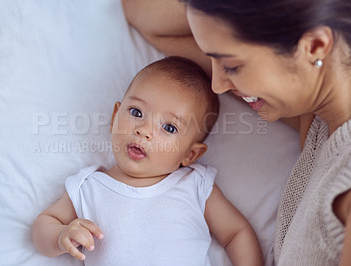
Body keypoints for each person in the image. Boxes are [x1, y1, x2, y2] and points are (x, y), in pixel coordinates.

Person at [122, 0, 351, 265]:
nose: (217, 86)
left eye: (232, 66)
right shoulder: (318, 116)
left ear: (314, 46)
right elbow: (141, 12)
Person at [31, 56, 263, 266]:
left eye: (169, 127)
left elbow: (236, 233)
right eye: (136, 112)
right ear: (114, 117)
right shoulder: (89, 186)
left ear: (189, 155)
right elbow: (44, 225)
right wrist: (61, 236)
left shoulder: (195, 184)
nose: (144, 130)